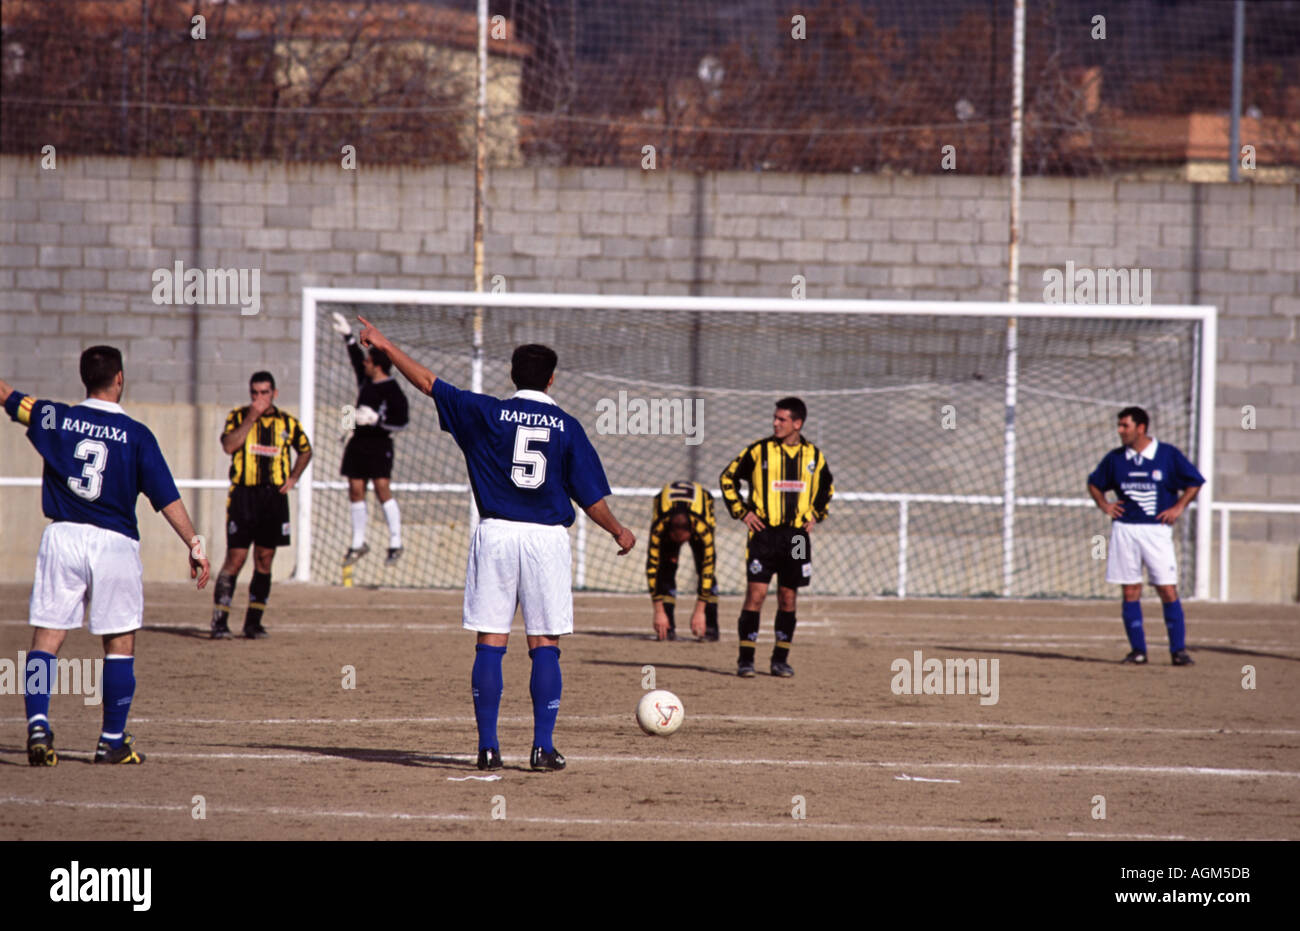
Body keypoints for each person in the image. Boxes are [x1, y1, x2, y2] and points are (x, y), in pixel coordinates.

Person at [355, 317, 636, 772]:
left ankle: (487, 747)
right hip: (546, 540)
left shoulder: (485, 412)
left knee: (491, 642)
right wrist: (618, 530)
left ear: (512, 376)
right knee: (544, 643)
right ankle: (542, 748)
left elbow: (428, 383)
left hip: (497, 534)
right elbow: (591, 498)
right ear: (551, 379)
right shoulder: (566, 426)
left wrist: (384, 343)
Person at [1, 346, 210, 766]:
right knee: (119, 642)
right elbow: (164, 496)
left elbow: (7, 396)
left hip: (63, 536)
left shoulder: (53, 416)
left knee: (47, 638)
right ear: (119, 378)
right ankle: (111, 739)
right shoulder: (136, 435)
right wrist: (194, 542)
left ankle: (38, 724)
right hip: (114, 544)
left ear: (84, 379)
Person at [719, 397, 833, 678]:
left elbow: (826, 488)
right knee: (755, 596)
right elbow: (727, 479)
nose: (775, 423)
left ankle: (780, 660)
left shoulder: (814, 457)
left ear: (797, 423)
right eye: (775, 418)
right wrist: (742, 512)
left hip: (796, 538)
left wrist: (816, 514)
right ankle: (746, 660)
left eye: (782, 419)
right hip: (764, 534)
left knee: (787, 597)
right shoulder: (759, 451)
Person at [1087, 406, 1204, 666]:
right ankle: (1138, 651)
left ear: (1141, 427)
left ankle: (1178, 651)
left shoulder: (1167, 455)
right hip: (1125, 529)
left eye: (1124, 426)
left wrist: (1178, 507)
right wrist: (1105, 505)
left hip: (1156, 531)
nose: (1120, 431)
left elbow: (1195, 481)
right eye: (1119, 426)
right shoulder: (1116, 458)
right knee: (1130, 590)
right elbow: (1094, 482)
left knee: (1167, 588)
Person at [209, 372, 312, 640]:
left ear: (274, 394)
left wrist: (293, 478)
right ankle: (219, 622)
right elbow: (229, 446)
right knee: (236, 557)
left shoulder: (287, 422)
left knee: (265, 559)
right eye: (254, 393)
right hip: (244, 496)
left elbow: (306, 449)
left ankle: (253, 623)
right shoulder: (238, 416)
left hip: (273, 499)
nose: (259, 398)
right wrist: (251, 418)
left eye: (264, 393)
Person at [330, 312, 410, 566]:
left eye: (369, 361)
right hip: (359, 443)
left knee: (381, 488)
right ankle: (357, 542)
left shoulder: (393, 390)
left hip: (379, 444)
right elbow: (356, 361)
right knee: (355, 488)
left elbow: (402, 421)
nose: (364, 364)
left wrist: (376, 420)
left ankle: (395, 541)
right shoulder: (366, 382)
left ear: (377, 365)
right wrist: (347, 337)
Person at [646, 481, 719, 641]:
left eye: (682, 540)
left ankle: (711, 627)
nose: (680, 544)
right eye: (675, 540)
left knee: (704, 569)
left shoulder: (702, 529)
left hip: (703, 503)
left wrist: (699, 611)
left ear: (691, 531)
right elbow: (651, 568)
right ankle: (667, 627)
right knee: (665, 570)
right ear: (669, 531)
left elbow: (709, 568)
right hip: (665, 506)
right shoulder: (660, 527)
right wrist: (658, 611)